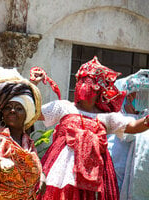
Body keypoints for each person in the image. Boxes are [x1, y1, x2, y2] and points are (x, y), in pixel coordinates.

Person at [31, 57, 149, 200]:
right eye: (83, 81)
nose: (85, 86)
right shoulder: (63, 107)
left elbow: (132, 126)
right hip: (61, 171)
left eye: (91, 83)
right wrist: (33, 85)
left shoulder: (106, 117)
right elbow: (33, 112)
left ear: (100, 90)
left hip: (96, 174)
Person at [0, 67, 45, 200]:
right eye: (8, 107)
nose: (12, 111)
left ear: (26, 114)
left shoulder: (28, 143)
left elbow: (35, 167)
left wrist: (42, 177)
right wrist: (1, 163)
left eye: (19, 108)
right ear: (2, 114)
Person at [107, 69, 149, 199]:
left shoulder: (144, 116)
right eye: (142, 95)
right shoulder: (116, 118)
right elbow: (129, 134)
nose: (146, 99)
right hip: (116, 182)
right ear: (129, 96)